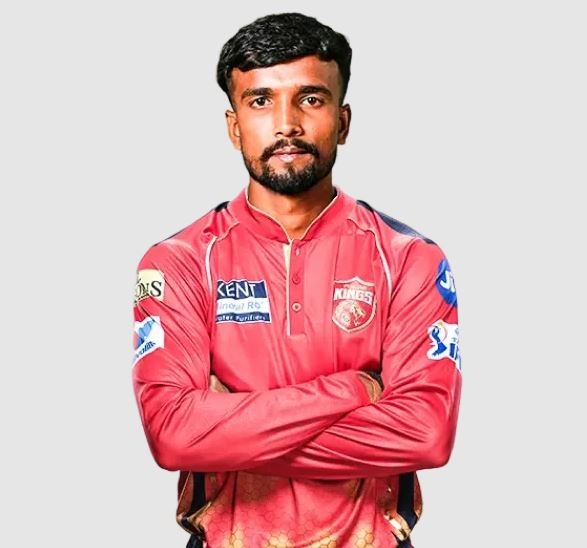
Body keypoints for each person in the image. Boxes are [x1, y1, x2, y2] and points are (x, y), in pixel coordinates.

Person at [132, 12, 462, 548]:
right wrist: (356, 388)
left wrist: (228, 430)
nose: (286, 123)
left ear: (344, 121)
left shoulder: (409, 259)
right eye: (261, 101)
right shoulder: (180, 262)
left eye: (310, 98)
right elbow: (173, 436)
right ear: (234, 126)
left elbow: (425, 433)